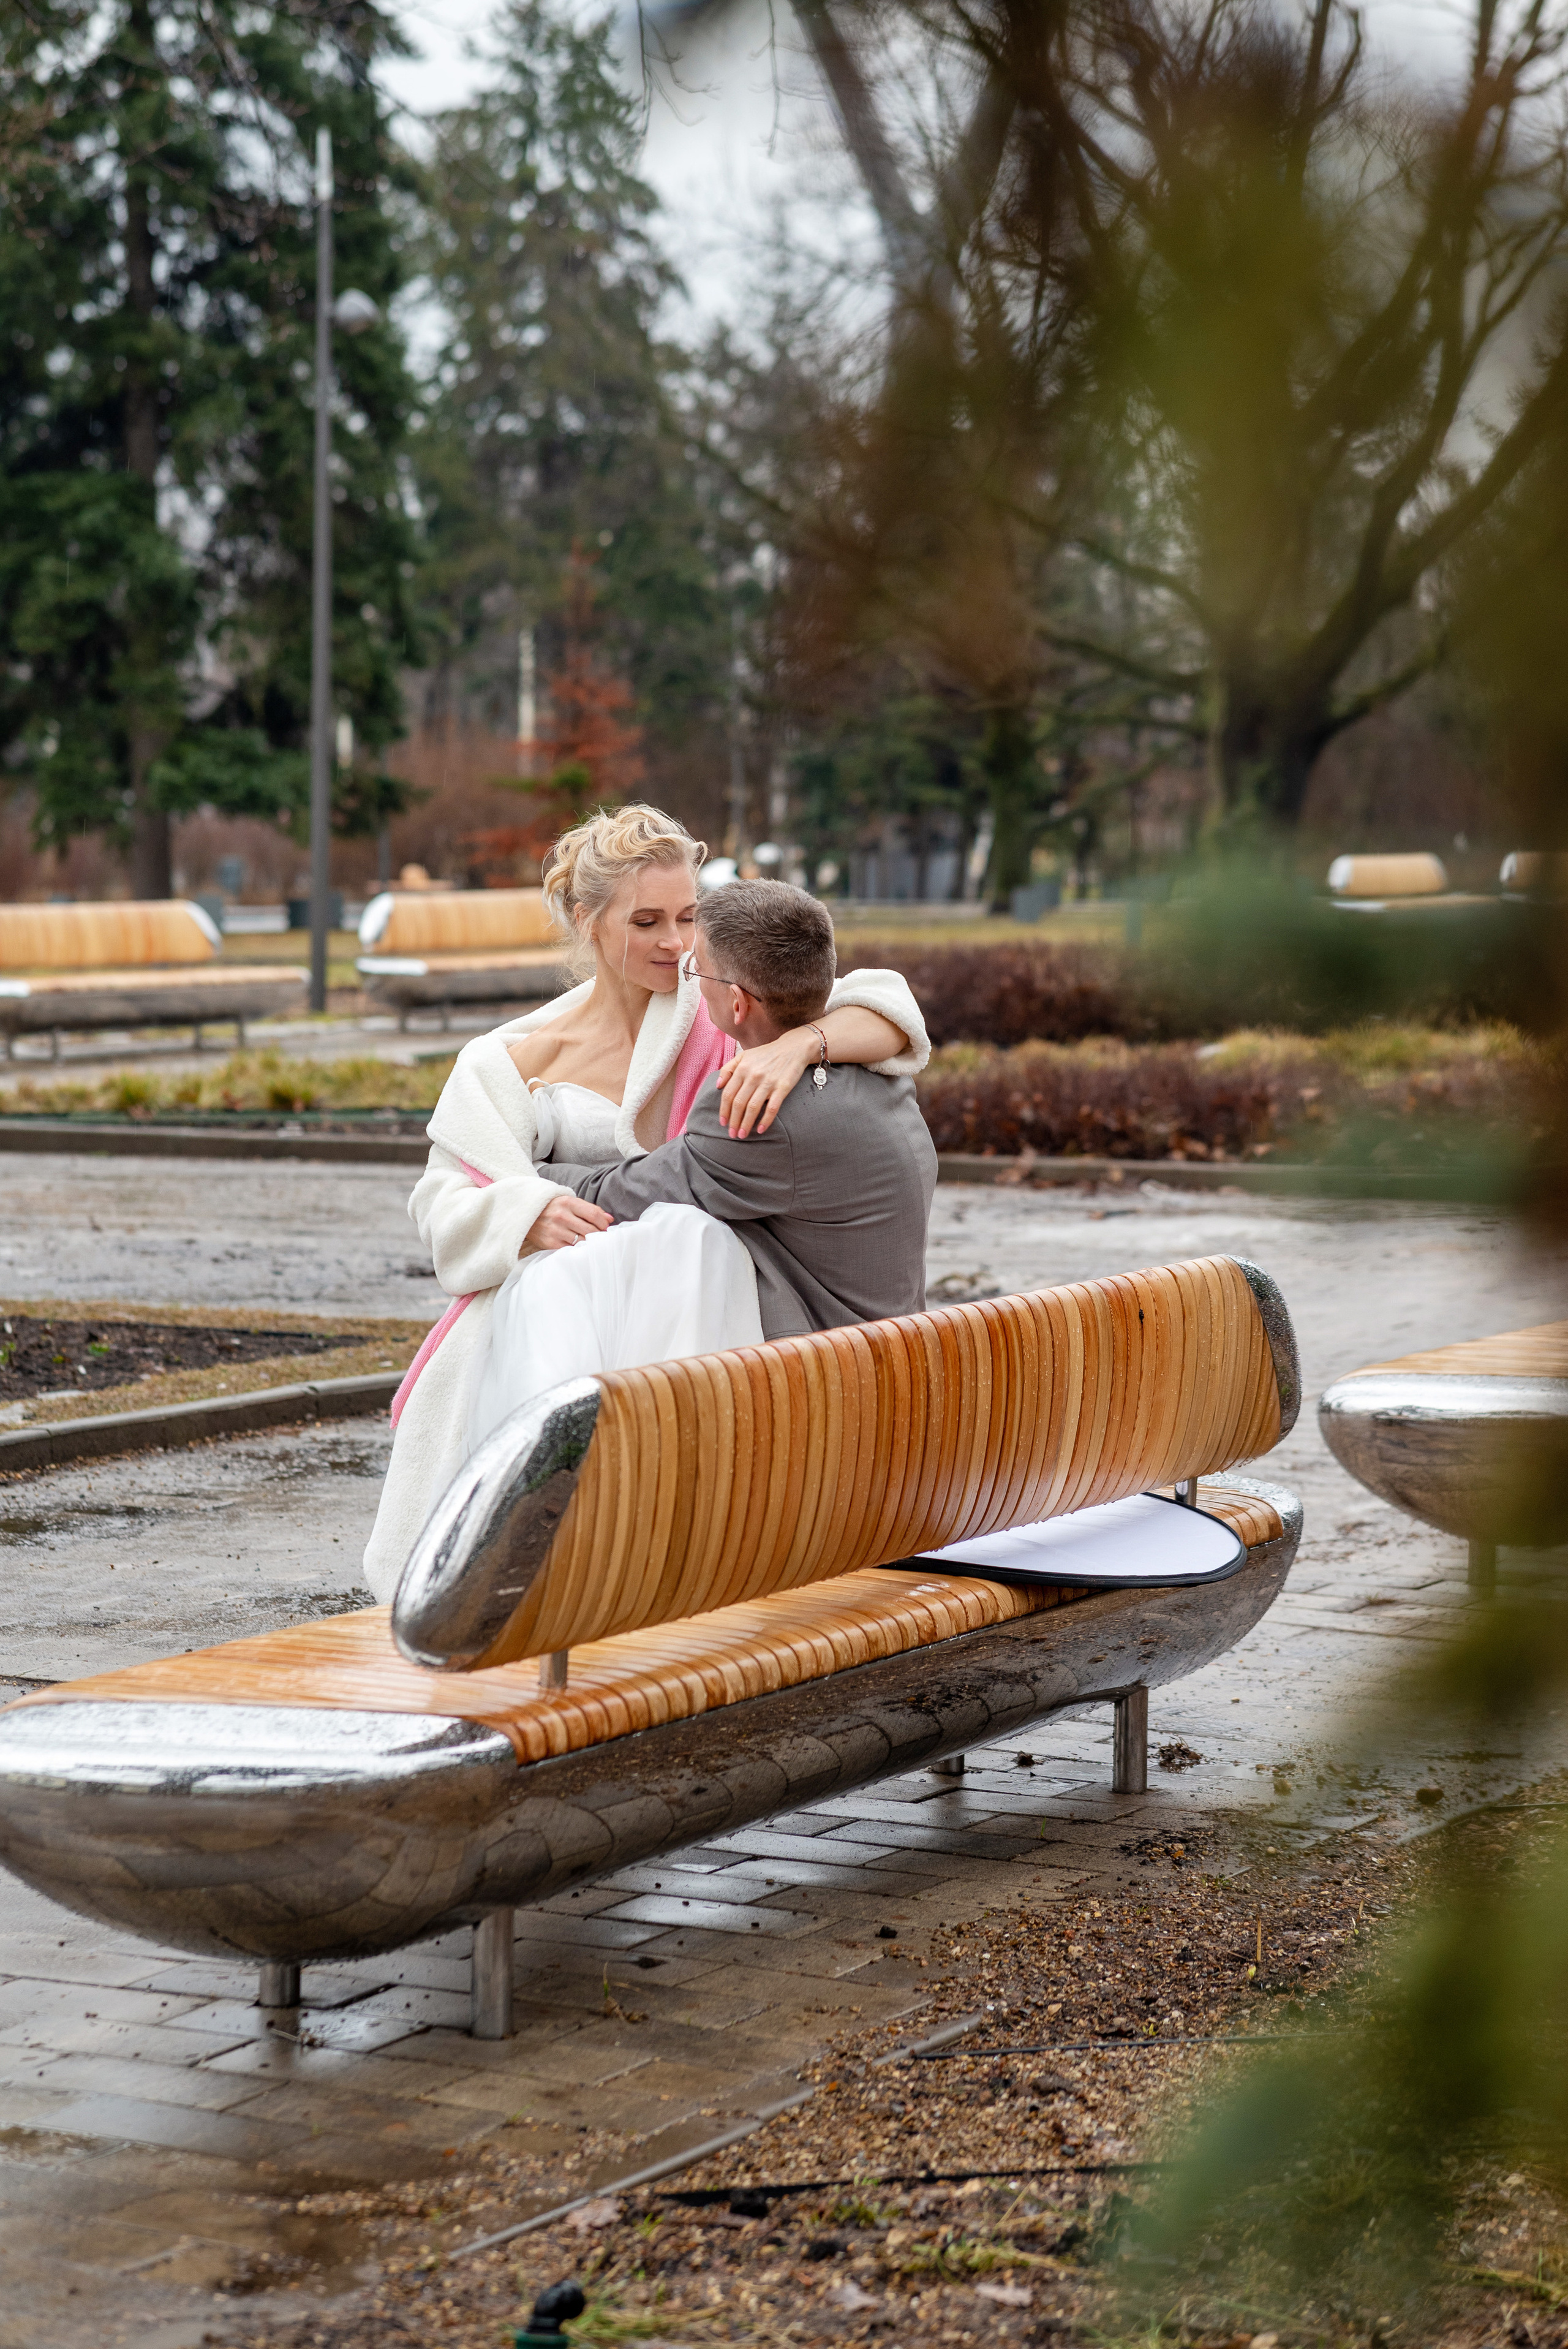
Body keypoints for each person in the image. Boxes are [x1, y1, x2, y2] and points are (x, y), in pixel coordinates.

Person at [363, 804, 927, 1598]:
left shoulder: (727, 1003)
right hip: (567, 1307)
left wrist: (803, 1043)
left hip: (703, 1311)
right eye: (649, 920)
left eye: (691, 916)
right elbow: (443, 1199)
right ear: (587, 919)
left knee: (686, 1249)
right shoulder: (511, 1059)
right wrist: (521, 1214)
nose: (676, 942)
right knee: (557, 1298)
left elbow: (886, 1003)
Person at [526, 878, 936, 1381]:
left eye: (697, 970)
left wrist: (522, 1172)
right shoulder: (877, 1065)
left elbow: (616, 1195)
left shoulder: (759, 1111)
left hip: (828, 1383)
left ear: (738, 1004)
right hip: (899, 1357)